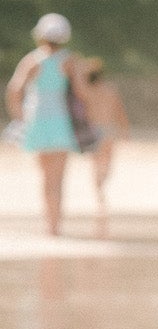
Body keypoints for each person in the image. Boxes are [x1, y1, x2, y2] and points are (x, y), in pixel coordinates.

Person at [5, 13, 91, 236]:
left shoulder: (32, 60)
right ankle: (57, 226)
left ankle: (49, 225)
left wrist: (20, 117)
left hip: (37, 121)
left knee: (45, 177)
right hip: (61, 122)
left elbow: (14, 90)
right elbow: (82, 92)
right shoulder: (70, 60)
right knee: (59, 177)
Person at [80, 60, 130, 225]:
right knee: (107, 164)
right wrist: (124, 129)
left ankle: (99, 192)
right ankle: (101, 187)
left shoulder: (85, 92)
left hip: (93, 130)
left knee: (95, 164)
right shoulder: (110, 90)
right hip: (108, 130)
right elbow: (119, 110)